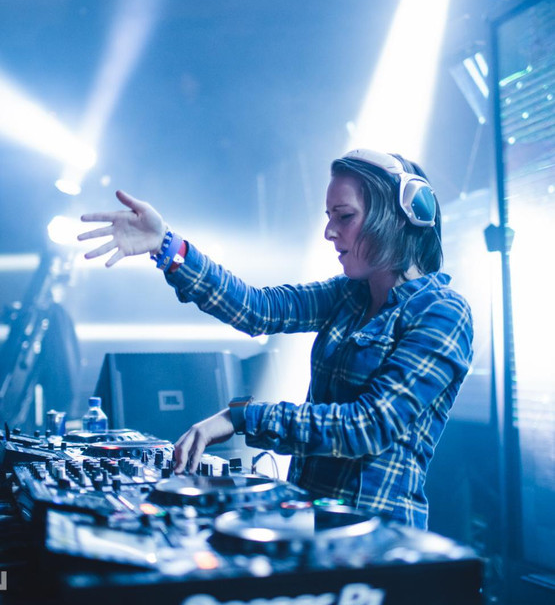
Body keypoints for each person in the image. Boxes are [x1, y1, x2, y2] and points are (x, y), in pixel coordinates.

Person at [78, 148, 473, 529]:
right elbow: (258, 309)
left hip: (378, 543)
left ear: (397, 218)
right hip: (312, 527)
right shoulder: (348, 295)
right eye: (329, 217)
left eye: (345, 216)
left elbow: (365, 426)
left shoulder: (442, 313)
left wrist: (241, 416)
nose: (329, 231)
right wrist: (168, 247)